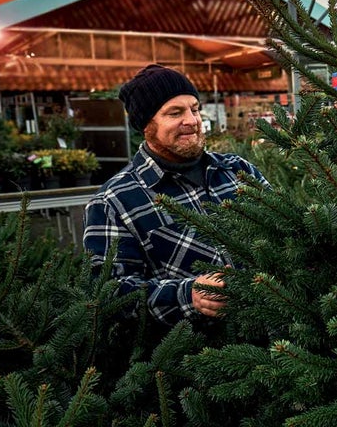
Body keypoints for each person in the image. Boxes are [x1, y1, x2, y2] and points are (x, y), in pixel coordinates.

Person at [83, 64, 270, 326]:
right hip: (195, 357)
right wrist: (186, 295)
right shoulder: (114, 201)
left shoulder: (237, 170)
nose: (192, 121)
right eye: (175, 112)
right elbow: (108, 293)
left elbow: (283, 232)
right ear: (146, 125)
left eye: (194, 109)